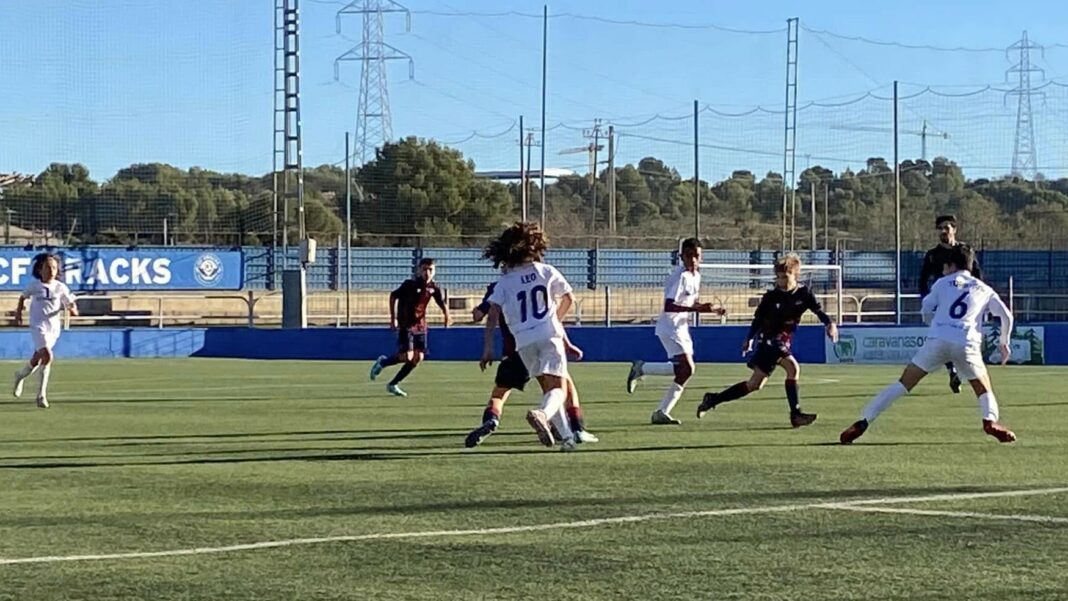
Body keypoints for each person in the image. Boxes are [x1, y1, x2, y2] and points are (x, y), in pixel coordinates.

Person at [841, 246, 1016, 444]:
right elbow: (1006, 316)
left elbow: (926, 308)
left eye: (945, 266)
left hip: (937, 341)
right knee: (983, 390)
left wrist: (934, 324)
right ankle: (990, 421)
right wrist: (1004, 342)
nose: (943, 270)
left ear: (951, 265)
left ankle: (864, 420)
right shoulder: (984, 289)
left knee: (902, 384)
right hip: (966, 343)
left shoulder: (942, 283)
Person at [696, 253, 838, 427]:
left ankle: (713, 399)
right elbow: (758, 319)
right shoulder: (771, 297)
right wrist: (749, 338)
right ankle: (796, 414)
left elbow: (819, 312)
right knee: (793, 368)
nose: (781, 281)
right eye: (779, 277)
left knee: (754, 384)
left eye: (785, 277)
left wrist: (830, 324)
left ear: (795, 275)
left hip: (783, 340)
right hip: (769, 340)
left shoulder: (804, 294)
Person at [479, 222, 583, 451]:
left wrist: (487, 348)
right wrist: (555, 321)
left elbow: (492, 312)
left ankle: (567, 438)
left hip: (523, 341)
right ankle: (542, 414)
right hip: (548, 334)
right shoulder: (546, 271)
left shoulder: (506, 281)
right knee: (559, 388)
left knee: (549, 389)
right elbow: (568, 299)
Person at [466, 281, 597, 447]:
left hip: (515, 351)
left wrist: (487, 347)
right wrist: (566, 343)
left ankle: (491, 419)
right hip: (541, 344)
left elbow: (479, 315)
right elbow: (550, 317)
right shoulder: (537, 280)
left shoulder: (499, 287)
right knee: (561, 388)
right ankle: (574, 428)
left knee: (499, 394)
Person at [626, 237, 725, 425]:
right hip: (670, 327)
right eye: (688, 256)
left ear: (701, 257)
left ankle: (648, 380)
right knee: (688, 368)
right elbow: (670, 306)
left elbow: (689, 302)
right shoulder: (680, 276)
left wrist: (710, 309)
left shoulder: (696, 276)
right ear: (681, 256)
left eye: (696, 256)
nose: (693, 260)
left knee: (684, 370)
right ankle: (657, 403)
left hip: (681, 327)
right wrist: (697, 310)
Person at [919, 215, 983, 394]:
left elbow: (977, 275)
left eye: (946, 228)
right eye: (940, 228)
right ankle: (952, 370)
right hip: (943, 303)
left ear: (954, 229)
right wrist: (927, 299)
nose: (943, 231)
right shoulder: (933, 255)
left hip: (964, 304)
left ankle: (966, 371)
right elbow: (923, 279)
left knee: (962, 338)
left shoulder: (965, 251)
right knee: (944, 336)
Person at [369, 258, 451, 397]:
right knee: (408, 356)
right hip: (406, 324)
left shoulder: (433, 288)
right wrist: (393, 318)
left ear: (434, 271)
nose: (427, 272)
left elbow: (442, 303)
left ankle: (393, 384)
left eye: (430, 269)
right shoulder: (409, 285)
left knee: (418, 357)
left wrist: (447, 315)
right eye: (424, 269)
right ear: (419, 270)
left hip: (421, 326)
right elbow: (393, 296)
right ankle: (383, 362)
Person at [12, 253, 79, 408]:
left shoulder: (60, 287)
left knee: (37, 359)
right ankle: (41, 395)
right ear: (40, 269)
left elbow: (71, 306)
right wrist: (18, 313)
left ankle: (20, 376)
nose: (51, 270)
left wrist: (72, 308)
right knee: (48, 355)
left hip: (53, 328)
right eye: (48, 267)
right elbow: (23, 297)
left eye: (54, 268)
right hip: (38, 326)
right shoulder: (34, 286)